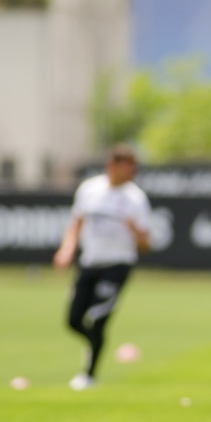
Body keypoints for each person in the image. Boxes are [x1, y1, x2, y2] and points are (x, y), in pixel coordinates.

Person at [53, 144, 152, 390]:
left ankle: (89, 375)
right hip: (90, 262)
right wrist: (67, 250)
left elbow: (146, 244)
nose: (132, 172)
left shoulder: (136, 198)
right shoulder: (90, 190)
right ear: (112, 166)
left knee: (98, 319)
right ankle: (94, 345)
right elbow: (76, 224)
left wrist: (134, 230)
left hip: (118, 265)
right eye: (128, 167)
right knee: (73, 320)